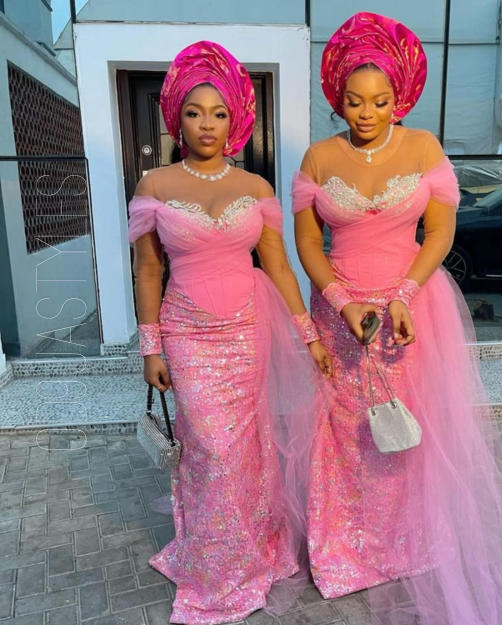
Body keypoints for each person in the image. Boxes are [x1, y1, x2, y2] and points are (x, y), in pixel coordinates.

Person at [292, 12, 502, 625]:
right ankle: (348, 547)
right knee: (344, 433)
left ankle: (407, 540)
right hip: (339, 311)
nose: (367, 113)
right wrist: (341, 302)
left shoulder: (424, 148)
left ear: (399, 98)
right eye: (354, 101)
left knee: (407, 428)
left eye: (380, 101)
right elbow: (308, 243)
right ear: (338, 98)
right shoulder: (318, 158)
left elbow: (441, 231)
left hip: (410, 307)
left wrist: (403, 293)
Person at [128, 41, 330, 625]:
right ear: (177, 119)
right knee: (211, 449)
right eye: (195, 113)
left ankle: (249, 548)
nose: (207, 124)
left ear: (235, 120)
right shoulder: (154, 185)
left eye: (218, 113)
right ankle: (215, 566)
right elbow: (148, 270)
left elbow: (280, 266)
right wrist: (150, 348)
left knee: (244, 449)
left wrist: (309, 334)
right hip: (187, 332)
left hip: (247, 331)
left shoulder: (258, 189)